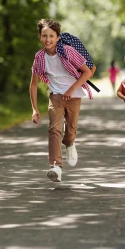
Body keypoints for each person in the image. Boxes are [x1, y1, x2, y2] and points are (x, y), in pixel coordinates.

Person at [29, 18, 93, 182]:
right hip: (56, 96)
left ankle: (70, 144)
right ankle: (56, 167)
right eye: (44, 36)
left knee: (70, 131)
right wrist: (35, 109)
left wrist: (71, 90)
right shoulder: (39, 57)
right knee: (54, 129)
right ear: (39, 37)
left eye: (51, 36)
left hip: (74, 96)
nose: (47, 39)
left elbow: (87, 72)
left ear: (58, 37)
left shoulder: (68, 51)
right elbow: (34, 85)